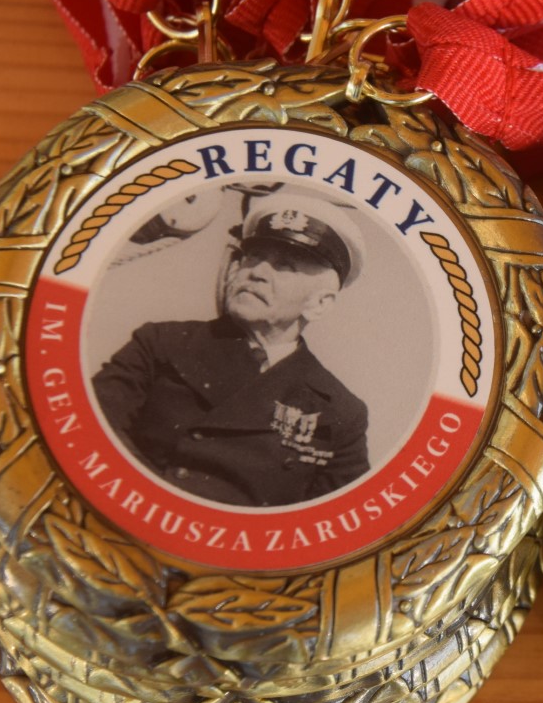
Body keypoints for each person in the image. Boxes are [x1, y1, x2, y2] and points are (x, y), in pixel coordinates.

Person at [92, 200, 369, 507]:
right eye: (254, 257)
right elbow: (89, 430)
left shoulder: (341, 413)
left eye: (285, 266)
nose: (257, 272)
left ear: (319, 304)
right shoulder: (160, 343)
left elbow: (335, 519)